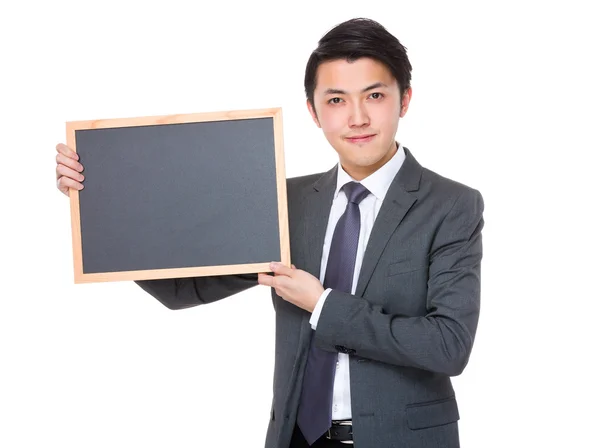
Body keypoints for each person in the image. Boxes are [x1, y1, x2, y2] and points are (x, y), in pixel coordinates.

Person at [55, 17, 484, 448]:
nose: (357, 117)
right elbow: (182, 289)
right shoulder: (288, 201)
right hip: (297, 437)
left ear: (403, 100)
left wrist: (321, 304)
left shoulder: (451, 206)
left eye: (374, 95)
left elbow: (447, 346)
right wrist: (101, 202)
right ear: (314, 112)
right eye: (336, 100)